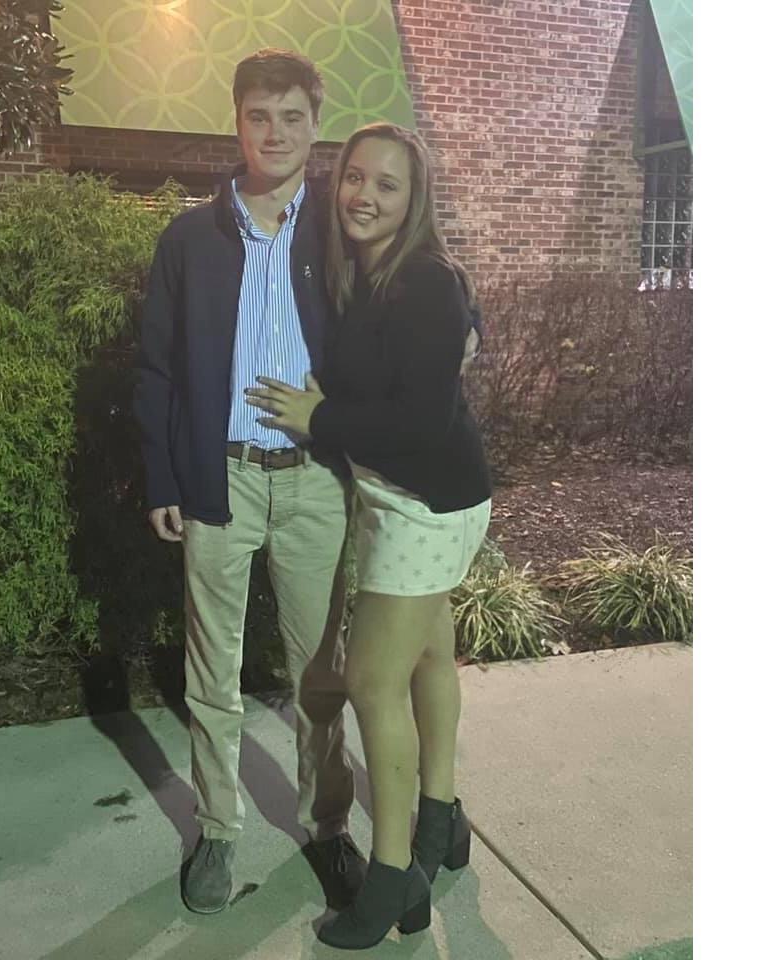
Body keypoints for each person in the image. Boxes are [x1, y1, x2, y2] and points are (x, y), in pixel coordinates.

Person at [245, 122, 493, 949]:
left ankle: (393, 877)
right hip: (414, 497)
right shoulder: (373, 268)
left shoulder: (421, 279)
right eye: (355, 177)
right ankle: (441, 822)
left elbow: (419, 422)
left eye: (388, 185)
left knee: (370, 682)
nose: (365, 196)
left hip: (424, 505)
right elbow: (437, 342)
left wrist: (320, 417)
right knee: (426, 660)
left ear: (414, 199)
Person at [133, 49, 364, 915]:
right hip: (218, 479)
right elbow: (156, 369)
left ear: (316, 124)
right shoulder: (190, 240)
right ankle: (220, 829)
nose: (276, 133)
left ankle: (327, 827)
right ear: (236, 122)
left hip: (314, 483)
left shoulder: (340, 228)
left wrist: (467, 325)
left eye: (292, 116)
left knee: (319, 675)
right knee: (212, 673)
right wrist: (164, 475)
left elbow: (418, 286)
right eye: (259, 116)